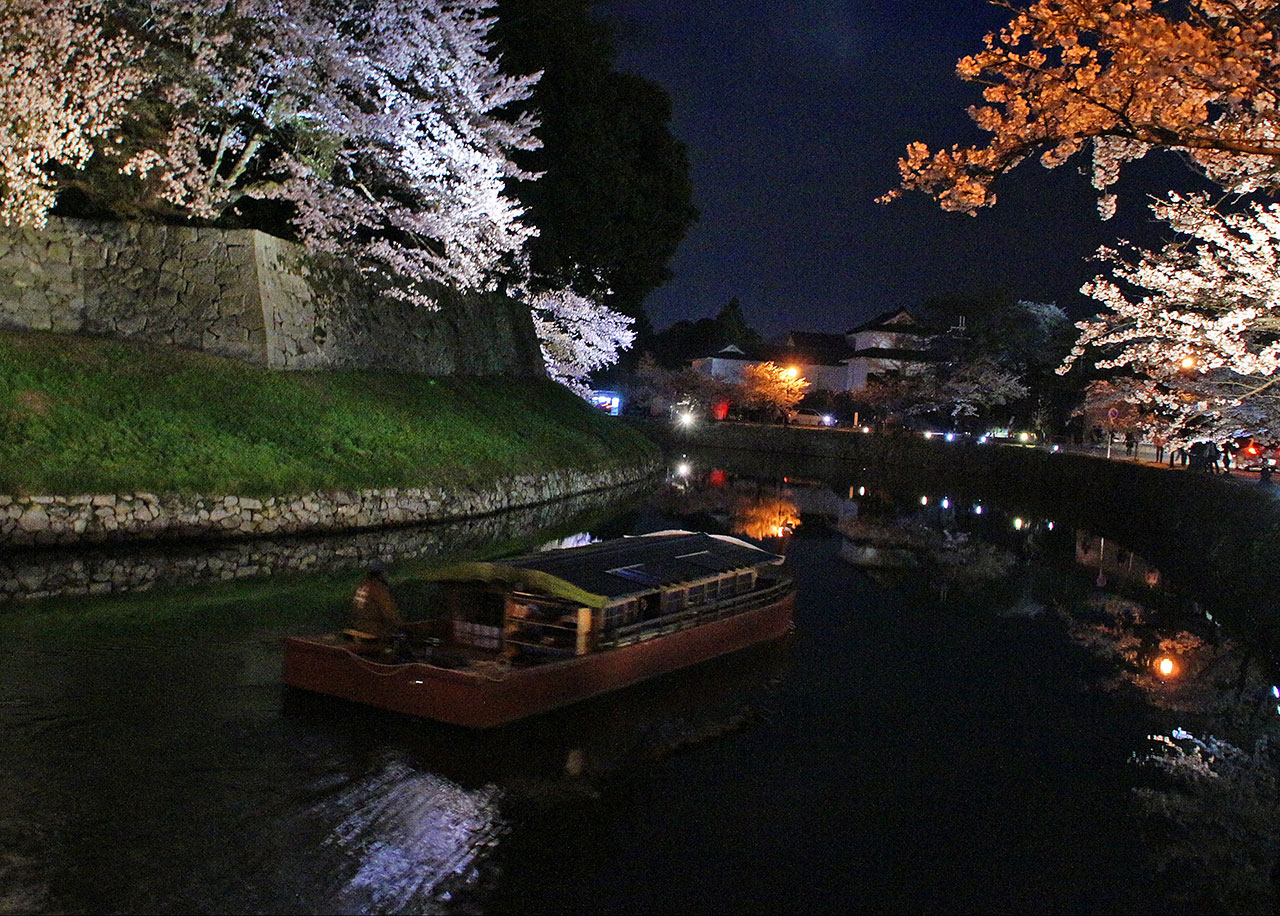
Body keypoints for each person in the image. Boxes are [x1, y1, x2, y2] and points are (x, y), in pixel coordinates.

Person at [348, 561, 406, 652]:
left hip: (357, 625)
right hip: (373, 630)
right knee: (402, 638)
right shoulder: (378, 589)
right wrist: (402, 626)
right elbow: (389, 613)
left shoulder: (362, 585)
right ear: (381, 574)